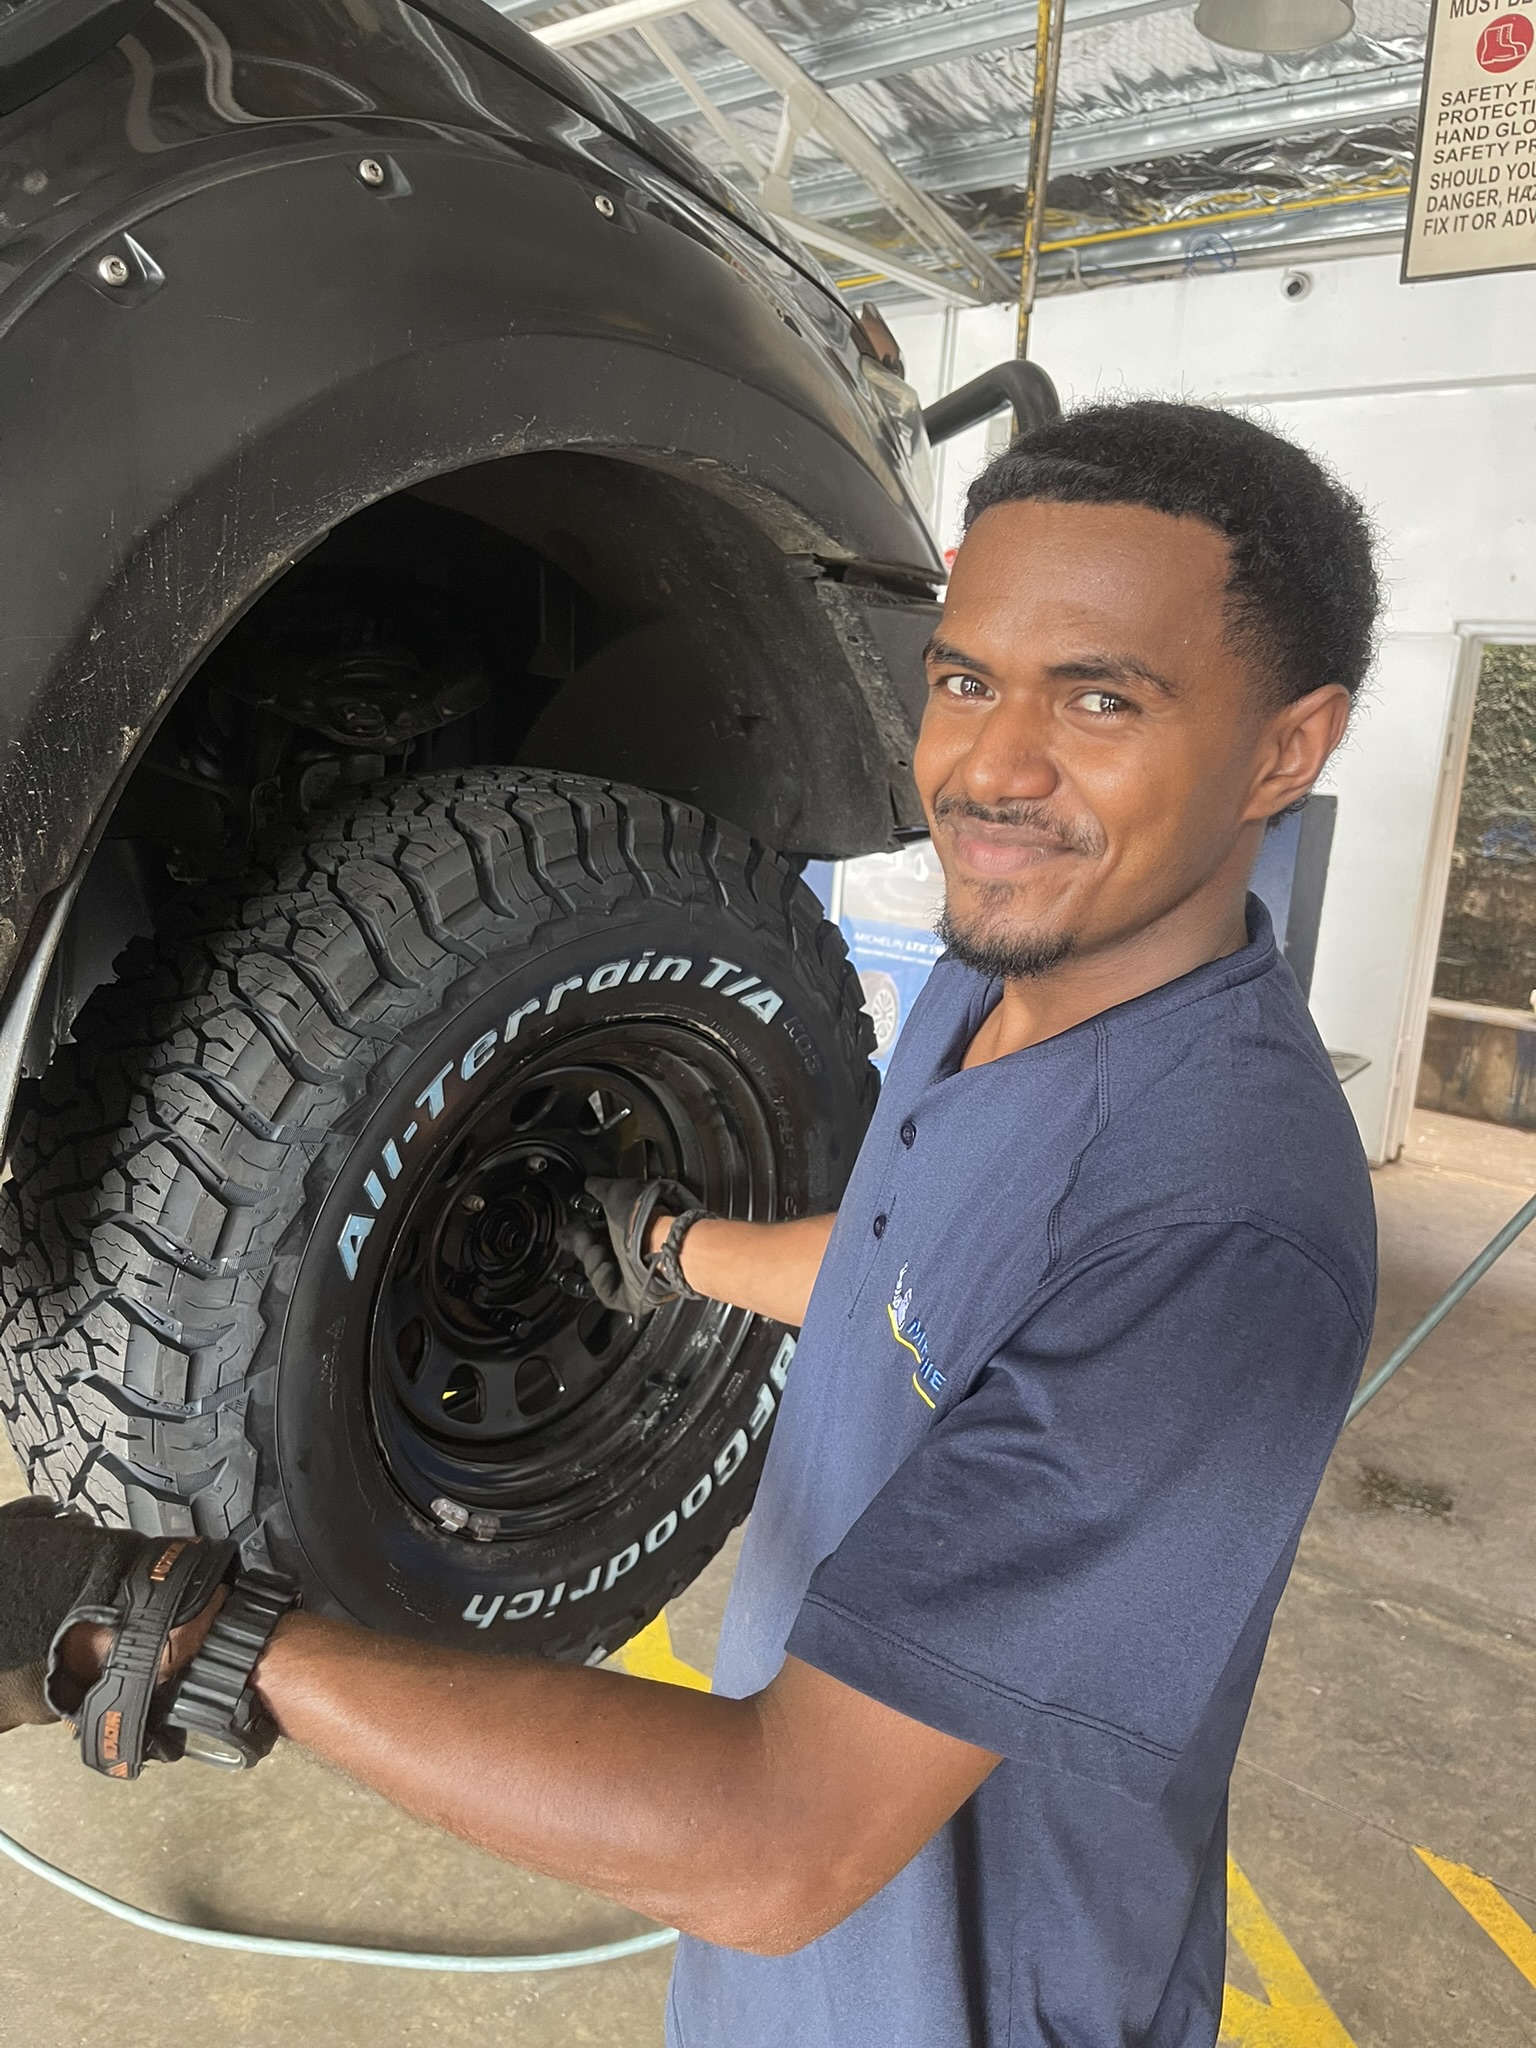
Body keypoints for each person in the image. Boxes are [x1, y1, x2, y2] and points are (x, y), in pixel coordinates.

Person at [1, 399, 1379, 2048]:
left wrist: (170, 1615)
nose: (990, 772)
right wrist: (653, 1250)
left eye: (1100, 698)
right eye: (963, 681)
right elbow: (909, 1263)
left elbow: (773, 1846)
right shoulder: (1001, 978)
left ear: (1289, 747)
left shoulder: (1217, 1227)